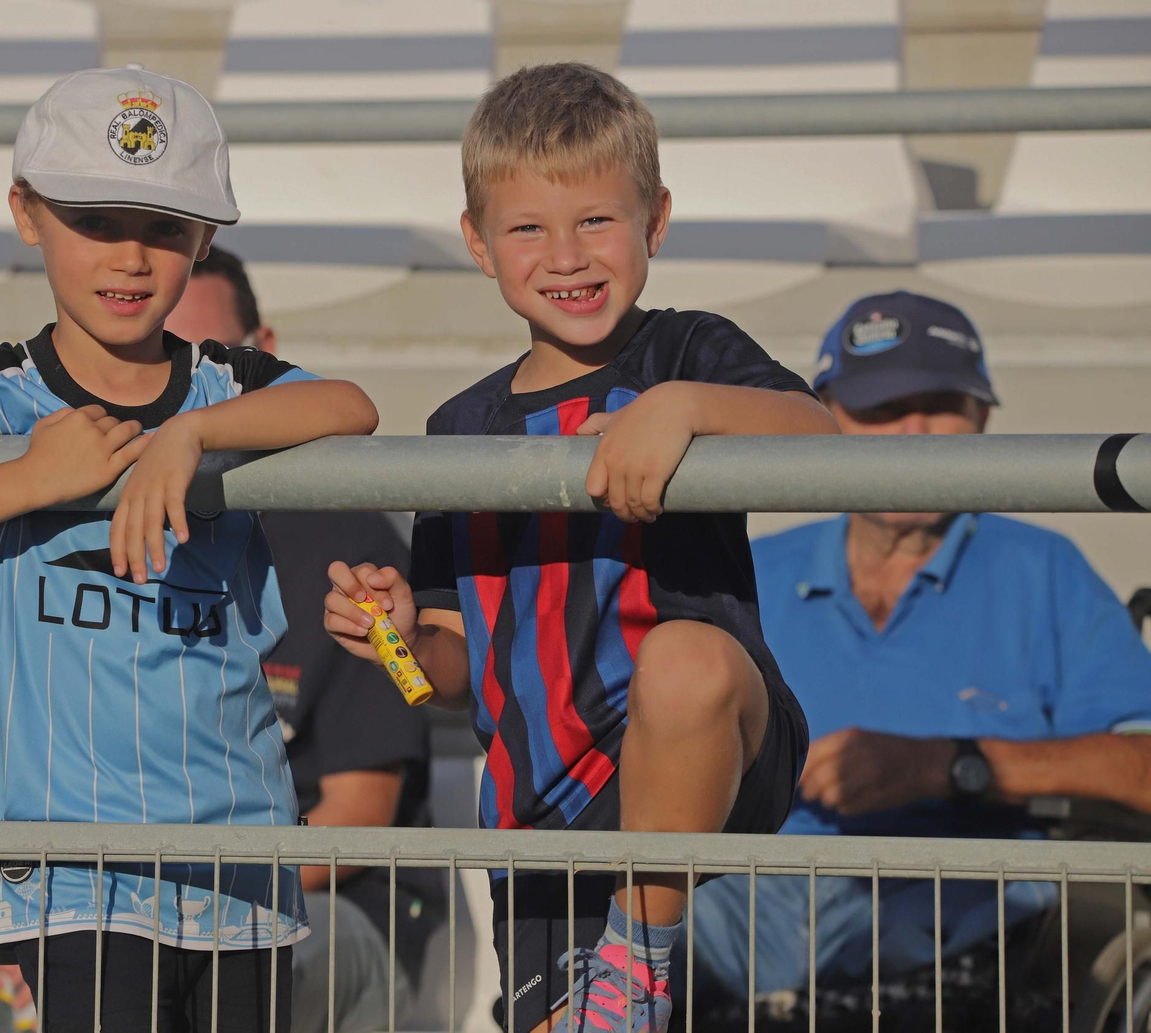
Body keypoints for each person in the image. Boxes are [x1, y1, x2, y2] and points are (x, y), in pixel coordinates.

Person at [0, 66, 379, 1033]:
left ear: (205, 239)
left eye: (165, 227)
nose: (132, 256)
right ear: (26, 214)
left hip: (242, 869)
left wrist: (191, 436)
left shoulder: (229, 382)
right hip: (68, 881)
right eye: (95, 221)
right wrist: (31, 478)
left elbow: (352, 407)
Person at [321, 63, 837, 1033]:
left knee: (682, 661)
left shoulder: (687, 353)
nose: (566, 255)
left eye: (596, 220)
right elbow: (450, 671)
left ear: (656, 220)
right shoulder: (458, 428)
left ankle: (636, 958)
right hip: (543, 809)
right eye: (528, 229)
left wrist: (682, 409)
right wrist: (398, 639)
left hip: (711, 750)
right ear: (478, 243)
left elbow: (820, 435)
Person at [678, 290, 1151, 1003]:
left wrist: (949, 765)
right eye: (882, 408)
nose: (914, 431)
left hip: (962, 905)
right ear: (826, 420)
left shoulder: (1044, 569)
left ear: (982, 418)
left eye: (941, 405)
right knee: (605, 931)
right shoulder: (750, 568)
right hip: (748, 899)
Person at [166, 245, 444, 1033]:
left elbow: (359, 813)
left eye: (208, 359)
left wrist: (182, 900)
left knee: (194, 963)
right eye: (162, 358)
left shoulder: (350, 538)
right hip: (129, 901)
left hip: (326, 904)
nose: (184, 391)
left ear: (265, 354)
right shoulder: (105, 528)